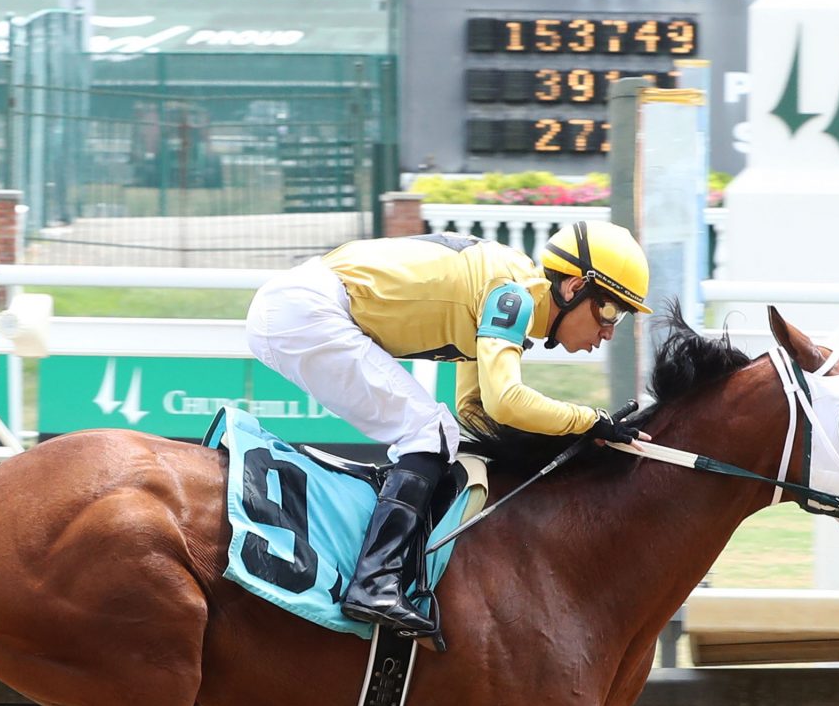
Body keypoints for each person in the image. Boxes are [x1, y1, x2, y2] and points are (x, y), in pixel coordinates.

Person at [244, 220, 651, 638]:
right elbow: (505, 400)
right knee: (428, 430)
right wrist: (588, 420)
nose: (608, 330)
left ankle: (381, 576)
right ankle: (373, 583)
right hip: (306, 310)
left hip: (298, 306)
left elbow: (474, 411)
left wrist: (571, 439)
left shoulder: (508, 290)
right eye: (610, 309)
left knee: (436, 430)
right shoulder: (511, 294)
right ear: (574, 286)